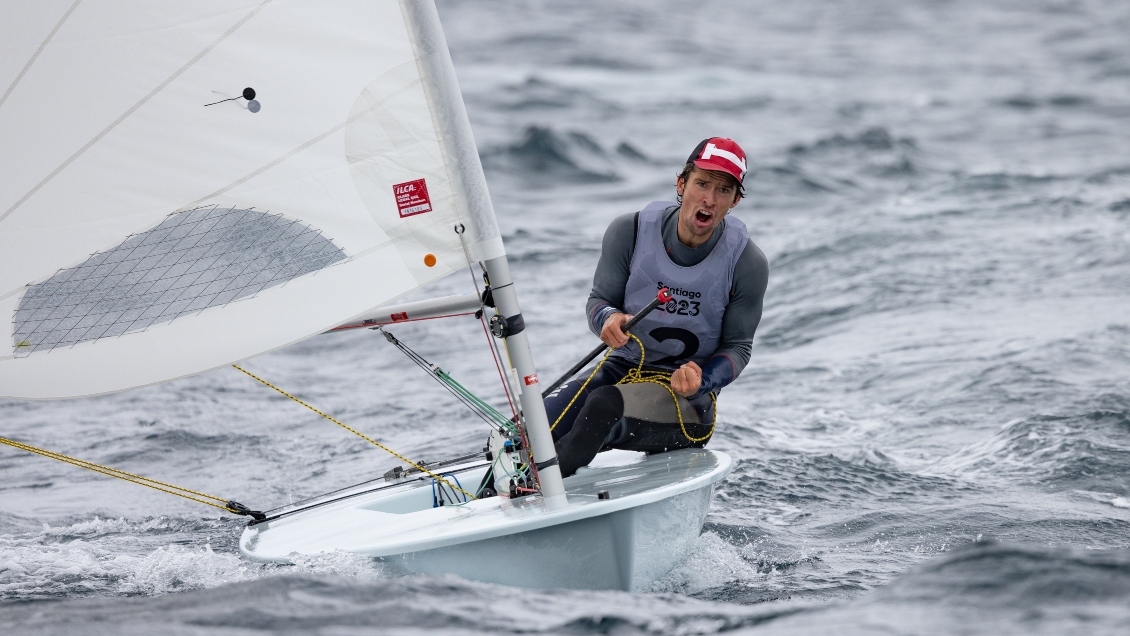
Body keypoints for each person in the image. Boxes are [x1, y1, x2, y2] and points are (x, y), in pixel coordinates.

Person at [546, 137, 769, 477]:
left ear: (735, 200)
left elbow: (738, 347)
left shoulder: (746, 263)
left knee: (603, 405)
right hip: (623, 369)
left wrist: (702, 380)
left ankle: (536, 493)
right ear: (682, 184)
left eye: (724, 190)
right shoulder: (629, 232)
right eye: (702, 183)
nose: (709, 198)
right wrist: (607, 319)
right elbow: (599, 302)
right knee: (531, 426)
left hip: (687, 404)